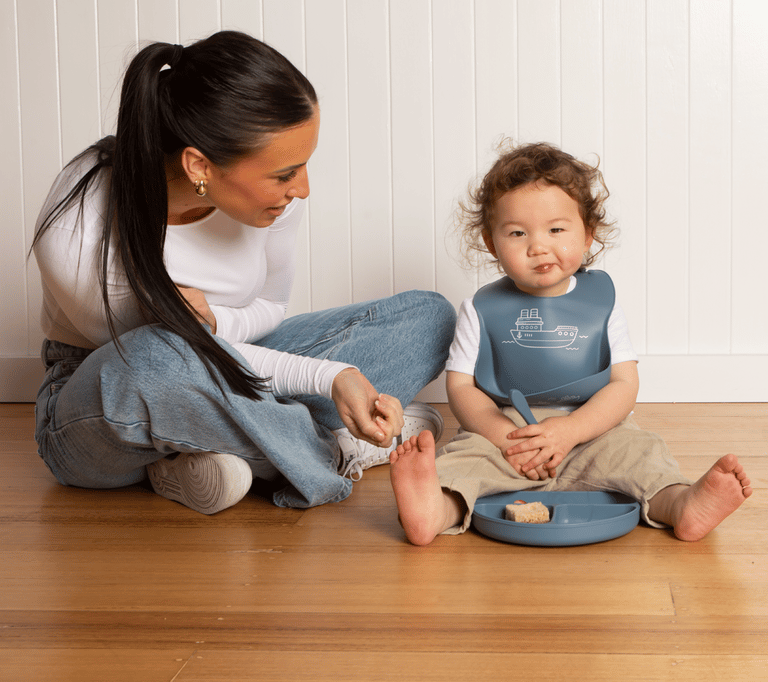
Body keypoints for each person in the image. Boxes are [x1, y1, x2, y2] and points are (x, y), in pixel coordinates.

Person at [32, 31, 456, 515]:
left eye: (303, 166)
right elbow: (184, 364)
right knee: (158, 361)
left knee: (430, 316)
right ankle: (335, 450)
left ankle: (210, 454)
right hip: (103, 401)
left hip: (237, 362)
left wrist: (331, 371)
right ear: (200, 166)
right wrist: (328, 377)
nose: (303, 188)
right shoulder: (79, 229)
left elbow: (270, 310)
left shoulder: (277, 203)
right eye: (284, 174)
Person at [389, 141, 752, 546]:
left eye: (556, 229)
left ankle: (679, 503)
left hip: (591, 428)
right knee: (466, 460)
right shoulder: (480, 309)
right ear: (492, 244)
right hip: (508, 432)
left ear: (587, 236)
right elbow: (461, 387)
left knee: (638, 452)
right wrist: (507, 439)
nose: (538, 245)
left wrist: (571, 431)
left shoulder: (602, 303)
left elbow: (623, 385)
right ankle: (436, 509)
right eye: (517, 233)